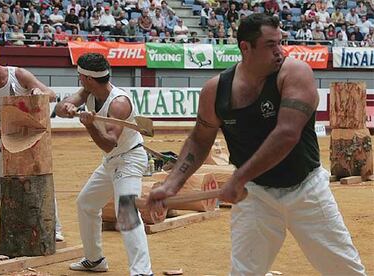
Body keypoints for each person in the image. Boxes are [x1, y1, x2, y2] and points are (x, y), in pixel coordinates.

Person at [148, 13, 366, 275]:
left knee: (345, 270)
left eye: (280, 42)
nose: (280, 51)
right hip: (256, 194)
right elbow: (199, 140)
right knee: (244, 272)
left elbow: (286, 134)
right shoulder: (215, 91)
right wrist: (172, 185)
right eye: (270, 45)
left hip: (306, 189)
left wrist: (238, 177)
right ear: (245, 48)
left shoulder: (295, 73)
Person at [55, 53, 153, 275]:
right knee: (86, 204)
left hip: (129, 159)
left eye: (80, 75)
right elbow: (61, 107)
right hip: (112, 161)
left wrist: (89, 125)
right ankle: (95, 259)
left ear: (89, 78)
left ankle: (142, 272)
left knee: (127, 213)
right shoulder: (87, 91)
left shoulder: (119, 103)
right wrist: (67, 108)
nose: (79, 78)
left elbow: (108, 144)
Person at [0, 49, 65, 249]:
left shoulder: (18, 75)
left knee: (41, 181)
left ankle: (55, 230)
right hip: (5, 139)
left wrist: (37, 93)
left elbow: (51, 95)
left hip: (32, 137)